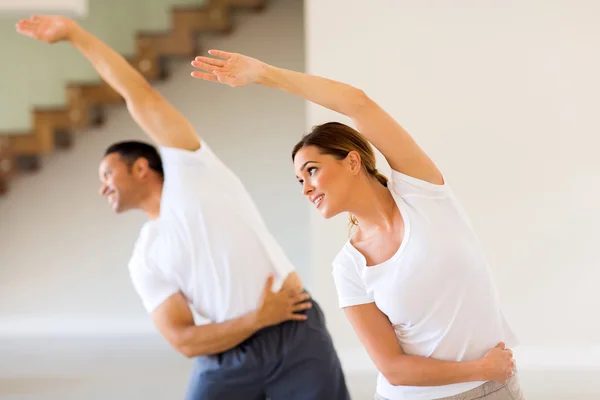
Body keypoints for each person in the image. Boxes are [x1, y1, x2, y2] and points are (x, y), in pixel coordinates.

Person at [15, 16, 351, 400]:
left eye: (107, 173)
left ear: (141, 167)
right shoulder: (144, 257)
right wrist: (257, 318)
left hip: (293, 332)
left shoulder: (191, 170)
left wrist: (75, 35)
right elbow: (184, 340)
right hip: (225, 354)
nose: (102, 186)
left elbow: (137, 93)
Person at [191, 50, 524, 400]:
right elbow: (393, 368)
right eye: (298, 180)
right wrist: (481, 369)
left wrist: (264, 74)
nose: (305, 187)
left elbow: (358, 104)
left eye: (312, 170)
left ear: (352, 161)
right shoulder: (349, 267)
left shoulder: (423, 194)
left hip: (493, 391)